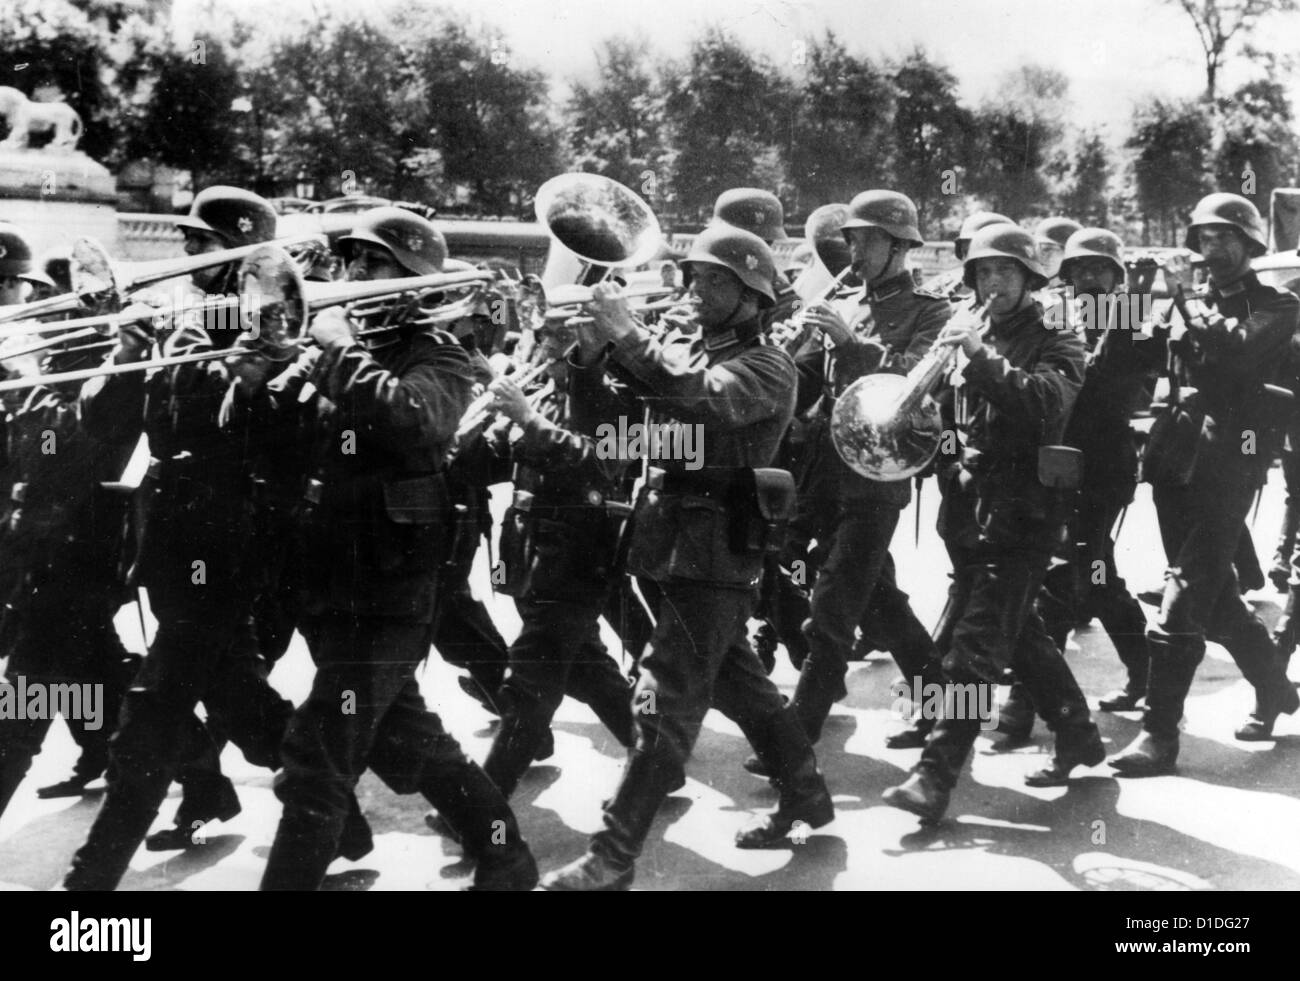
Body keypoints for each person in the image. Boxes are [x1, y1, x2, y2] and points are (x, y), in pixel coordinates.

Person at [224, 205, 538, 890]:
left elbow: (412, 421)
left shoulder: (441, 356)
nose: (352, 274)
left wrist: (339, 350)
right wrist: (256, 383)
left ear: (411, 281)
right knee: (411, 742)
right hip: (332, 576)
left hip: (394, 584)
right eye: (353, 261)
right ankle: (507, 856)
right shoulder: (343, 350)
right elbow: (283, 440)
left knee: (317, 752)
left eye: (372, 264)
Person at [541, 225, 833, 890]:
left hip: (714, 550)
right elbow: (611, 426)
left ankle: (613, 853)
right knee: (741, 685)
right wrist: (589, 354)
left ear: (754, 298)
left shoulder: (768, 366)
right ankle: (808, 794)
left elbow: (704, 399)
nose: (696, 289)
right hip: (667, 543)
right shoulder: (682, 351)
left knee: (663, 703)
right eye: (695, 277)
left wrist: (628, 337)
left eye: (716, 281)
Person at [62, 186, 304, 889]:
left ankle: (89, 882)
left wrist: (179, 346)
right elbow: (105, 424)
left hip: (230, 538)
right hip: (169, 536)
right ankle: (336, 815)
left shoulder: (268, 317)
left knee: (152, 709)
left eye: (201, 242)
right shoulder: (183, 318)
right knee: (237, 696)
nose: (187, 252)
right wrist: (126, 350)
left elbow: (252, 421)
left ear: (241, 248)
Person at [882, 223, 1104, 822]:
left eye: (1005, 272)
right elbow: (952, 415)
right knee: (1021, 634)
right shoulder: (973, 329)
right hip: (972, 508)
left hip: (1027, 512)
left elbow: (1042, 403)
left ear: (1031, 279)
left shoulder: (1061, 333)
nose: (992, 283)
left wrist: (980, 357)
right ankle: (1080, 737)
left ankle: (935, 775)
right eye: (982, 272)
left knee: (974, 649)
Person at [1110, 193, 1300, 775]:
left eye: (1224, 236)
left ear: (1248, 244)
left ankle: (1160, 734)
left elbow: (1234, 356)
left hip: (1232, 459)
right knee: (1214, 600)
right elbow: (1127, 359)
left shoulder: (1278, 303)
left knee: (1183, 594)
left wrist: (1186, 302)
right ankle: (1275, 689)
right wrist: (1134, 299)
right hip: (1175, 456)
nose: (1211, 245)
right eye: (1205, 236)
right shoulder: (1182, 301)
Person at [776, 190, 948, 754]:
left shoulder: (931, 310)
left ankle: (797, 737)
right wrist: (780, 358)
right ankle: (944, 702)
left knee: (832, 607)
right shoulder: (845, 298)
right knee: (876, 599)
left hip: (879, 471)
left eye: (865, 238)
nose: (852, 249)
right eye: (849, 238)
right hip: (823, 467)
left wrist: (851, 345)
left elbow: (916, 384)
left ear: (900, 244)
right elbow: (802, 383)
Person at [474, 319, 636, 802]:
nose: (540, 346)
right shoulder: (544, 393)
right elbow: (502, 461)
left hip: (580, 554)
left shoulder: (618, 398)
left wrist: (526, 419)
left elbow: (598, 463)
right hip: (533, 553)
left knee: (530, 682)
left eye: (554, 337)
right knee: (590, 671)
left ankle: (481, 805)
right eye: (541, 335)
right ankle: (658, 759)